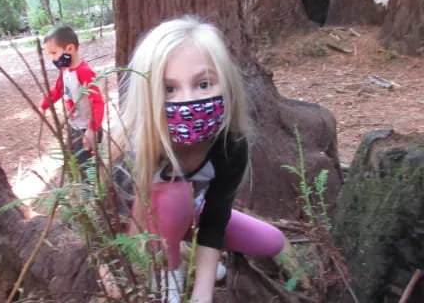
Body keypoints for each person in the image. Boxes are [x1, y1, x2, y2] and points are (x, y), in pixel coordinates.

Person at [112, 16, 285, 303]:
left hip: (196, 213)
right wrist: (153, 267)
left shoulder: (231, 144)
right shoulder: (134, 147)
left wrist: (202, 293)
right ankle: (170, 276)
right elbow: (131, 224)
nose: (187, 100)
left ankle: (191, 253)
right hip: (148, 225)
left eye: (204, 84)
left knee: (271, 242)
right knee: (173, 194)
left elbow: (216, 219)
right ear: (149, 93)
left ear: (225, 84)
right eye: (169, 89)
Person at [40, 26, 104, 171]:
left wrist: (91, 130)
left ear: (70, 49)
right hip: (74, 127)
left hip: (87, 129)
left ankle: (92, 192)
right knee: (73, 162)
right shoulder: (65, 70)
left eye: (54, 53)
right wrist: (44, 105)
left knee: (87, 168)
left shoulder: (85, 72)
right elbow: (58, 89)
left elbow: (98, 102)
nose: (53, 58)